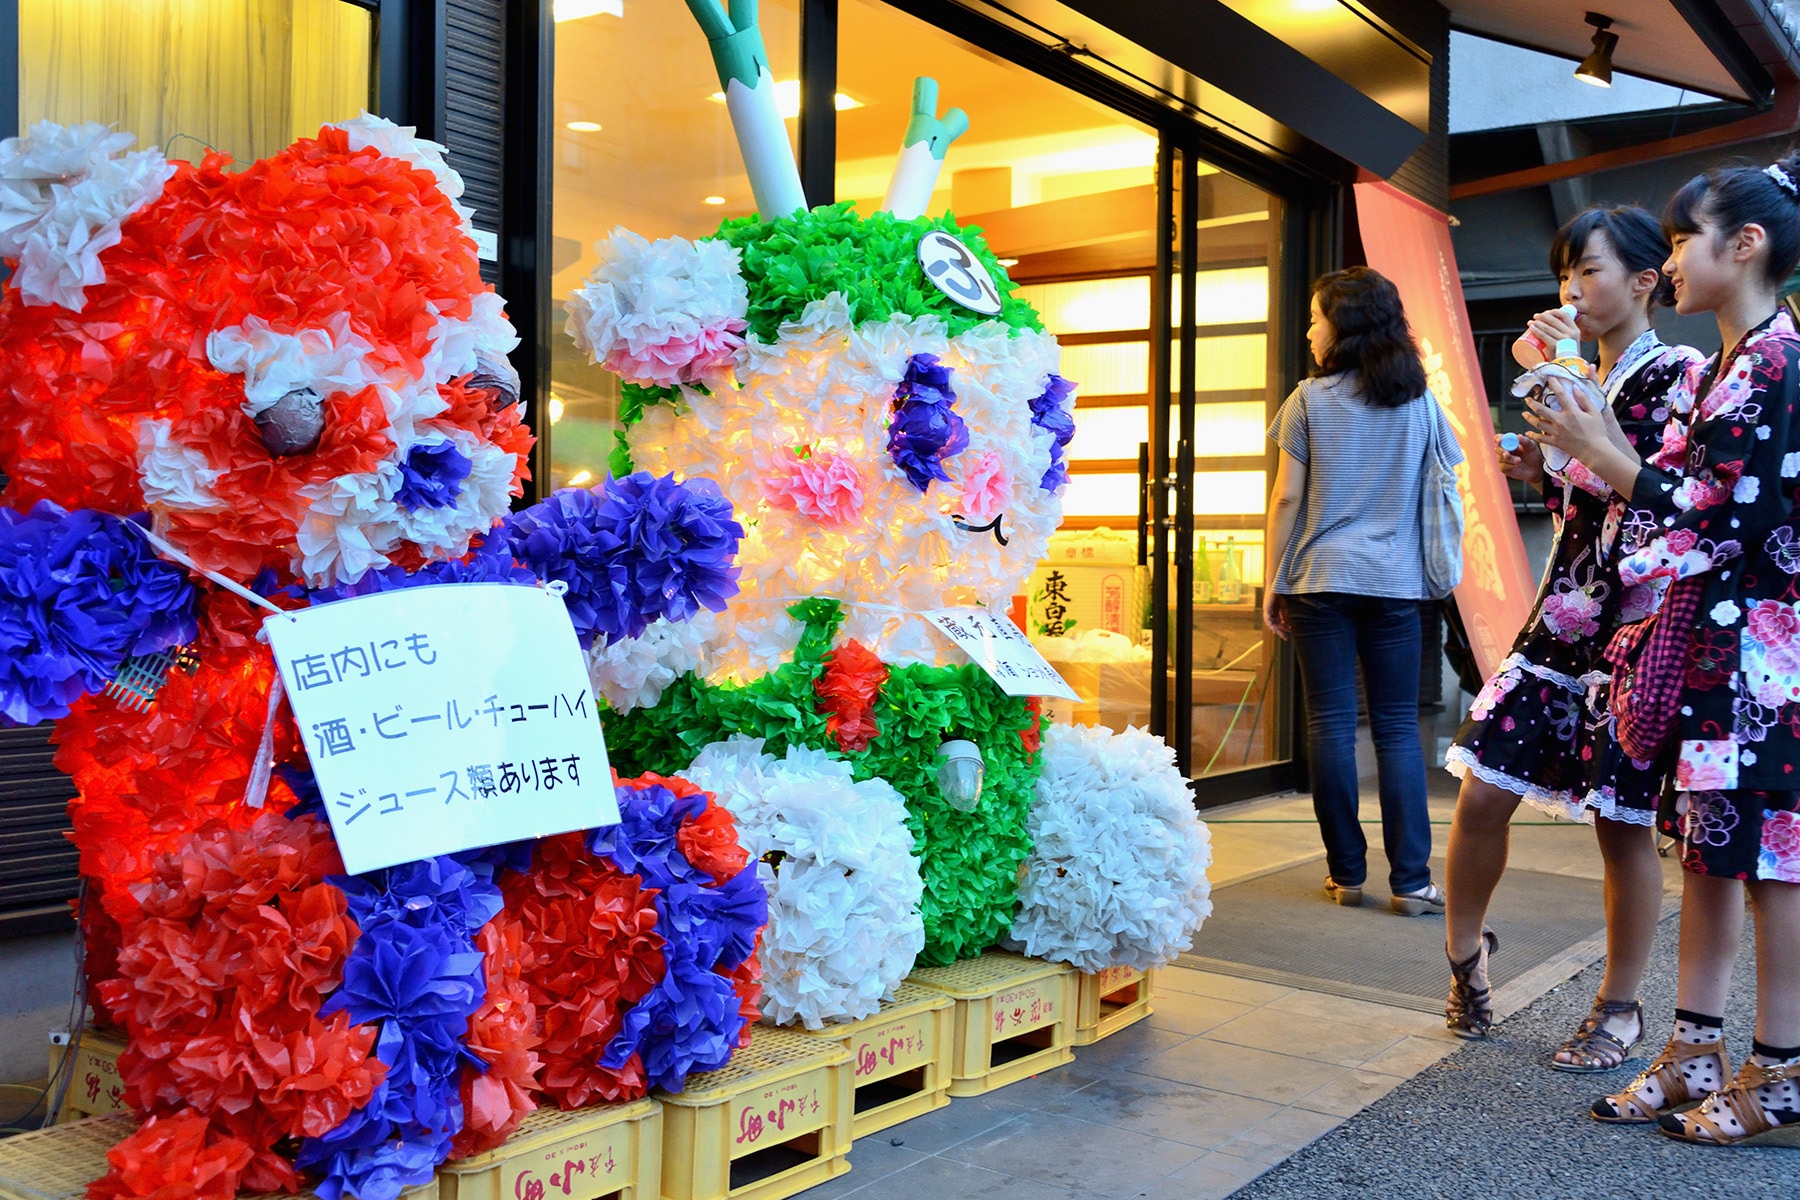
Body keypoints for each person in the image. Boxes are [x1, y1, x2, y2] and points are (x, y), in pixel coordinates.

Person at [1531, 155, 1800, 1148]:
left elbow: (1723, 513)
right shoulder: (1740, 358)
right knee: (1716, 854)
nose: (1672, 254)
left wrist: (1604, 454)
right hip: (1722, 650)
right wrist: (1597, 438)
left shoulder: (1770, 361)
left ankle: (1778, 1066)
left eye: (1686, 237)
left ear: (1748, 245)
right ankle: (1697, 1047)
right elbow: (1686, 500)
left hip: (1755, 657)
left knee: (1769, 860)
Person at [1440, 206, 1705, 1067]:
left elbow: (1664, 493)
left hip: (1635, 624)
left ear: (1642, 282)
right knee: (1482, 791)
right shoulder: (1575, 373)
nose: (1570, 289)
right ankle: (1464, 958)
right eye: (1564, 274)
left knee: (1622, 822)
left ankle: (1618, 1006)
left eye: (1587, 271)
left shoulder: (1682, 373)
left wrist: (1562, 398)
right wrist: (1540, 470)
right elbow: (1581, 498)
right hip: (1560, 616)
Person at [1264, 267, 1460, 918]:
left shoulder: (1307, 402)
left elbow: (1287, 497)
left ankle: (1347, 875)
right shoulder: (1421, 403)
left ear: (1343, 327)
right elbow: (1442, 479)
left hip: (1319, 578)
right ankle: (1412, 883)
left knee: (1331, 726)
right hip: (1398, 583)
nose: (1310, 330)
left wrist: (1272, 582)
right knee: (1399, 731)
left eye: (1317, 318)